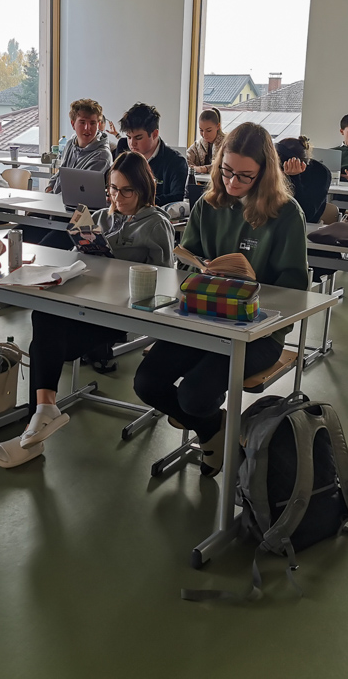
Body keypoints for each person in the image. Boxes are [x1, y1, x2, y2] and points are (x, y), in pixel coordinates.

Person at [133, 122, 309, 478]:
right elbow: (187, 263)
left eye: (245, 176)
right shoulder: (208, 204)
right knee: (146, 382)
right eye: (227, 171)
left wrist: (250, 285)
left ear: (264, 173)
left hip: (257, 331)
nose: (232, 182)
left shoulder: (286, 213)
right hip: (204, 316)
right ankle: (215, 429)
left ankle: (209, 425)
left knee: (194, 396)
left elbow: (295, 293)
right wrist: (198, 267)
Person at [0, 152, 175, 468]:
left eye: (126, 191)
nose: (118, 197)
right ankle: (42, 413)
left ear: (144, 189)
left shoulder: (157, 224)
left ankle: (36, 425)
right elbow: (77, 263)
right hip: (85, 305)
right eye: (113, 189)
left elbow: (166, 281)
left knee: (45, 339)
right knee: (44, 316)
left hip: (120, 315)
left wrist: (118, 267)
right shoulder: (100, 218)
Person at [116, 102, 188, 205]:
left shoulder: (176, 162)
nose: (132, 143)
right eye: (129, 137)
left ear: (155, 134)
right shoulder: (123, 149)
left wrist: (139, 201)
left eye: (138, 137)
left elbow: (178, 197)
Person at [46, 99, 113, 193]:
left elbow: (80, 191)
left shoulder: (101, 156)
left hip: (75, 202)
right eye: (82, 122)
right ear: (73, 124)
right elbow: (61, 172)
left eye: (92, 123)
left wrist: (53, 196)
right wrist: (50, 186)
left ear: (98, 125)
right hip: (57, 198)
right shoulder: (70, 144)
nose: (87, 128)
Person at [275, 135, 330, 223]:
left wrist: (294, 177)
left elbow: (306, 213)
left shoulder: (320, 172)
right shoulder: (271, 168)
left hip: (306, 224)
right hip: (275, 221)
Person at [186, 107, 226, 173]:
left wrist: (204, 169)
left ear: (218, 126)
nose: (204, 135)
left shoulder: (227, 144)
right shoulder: (198, 145)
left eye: (208, 130)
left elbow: (226, 165)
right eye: (201, 130)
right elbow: (187, 156)